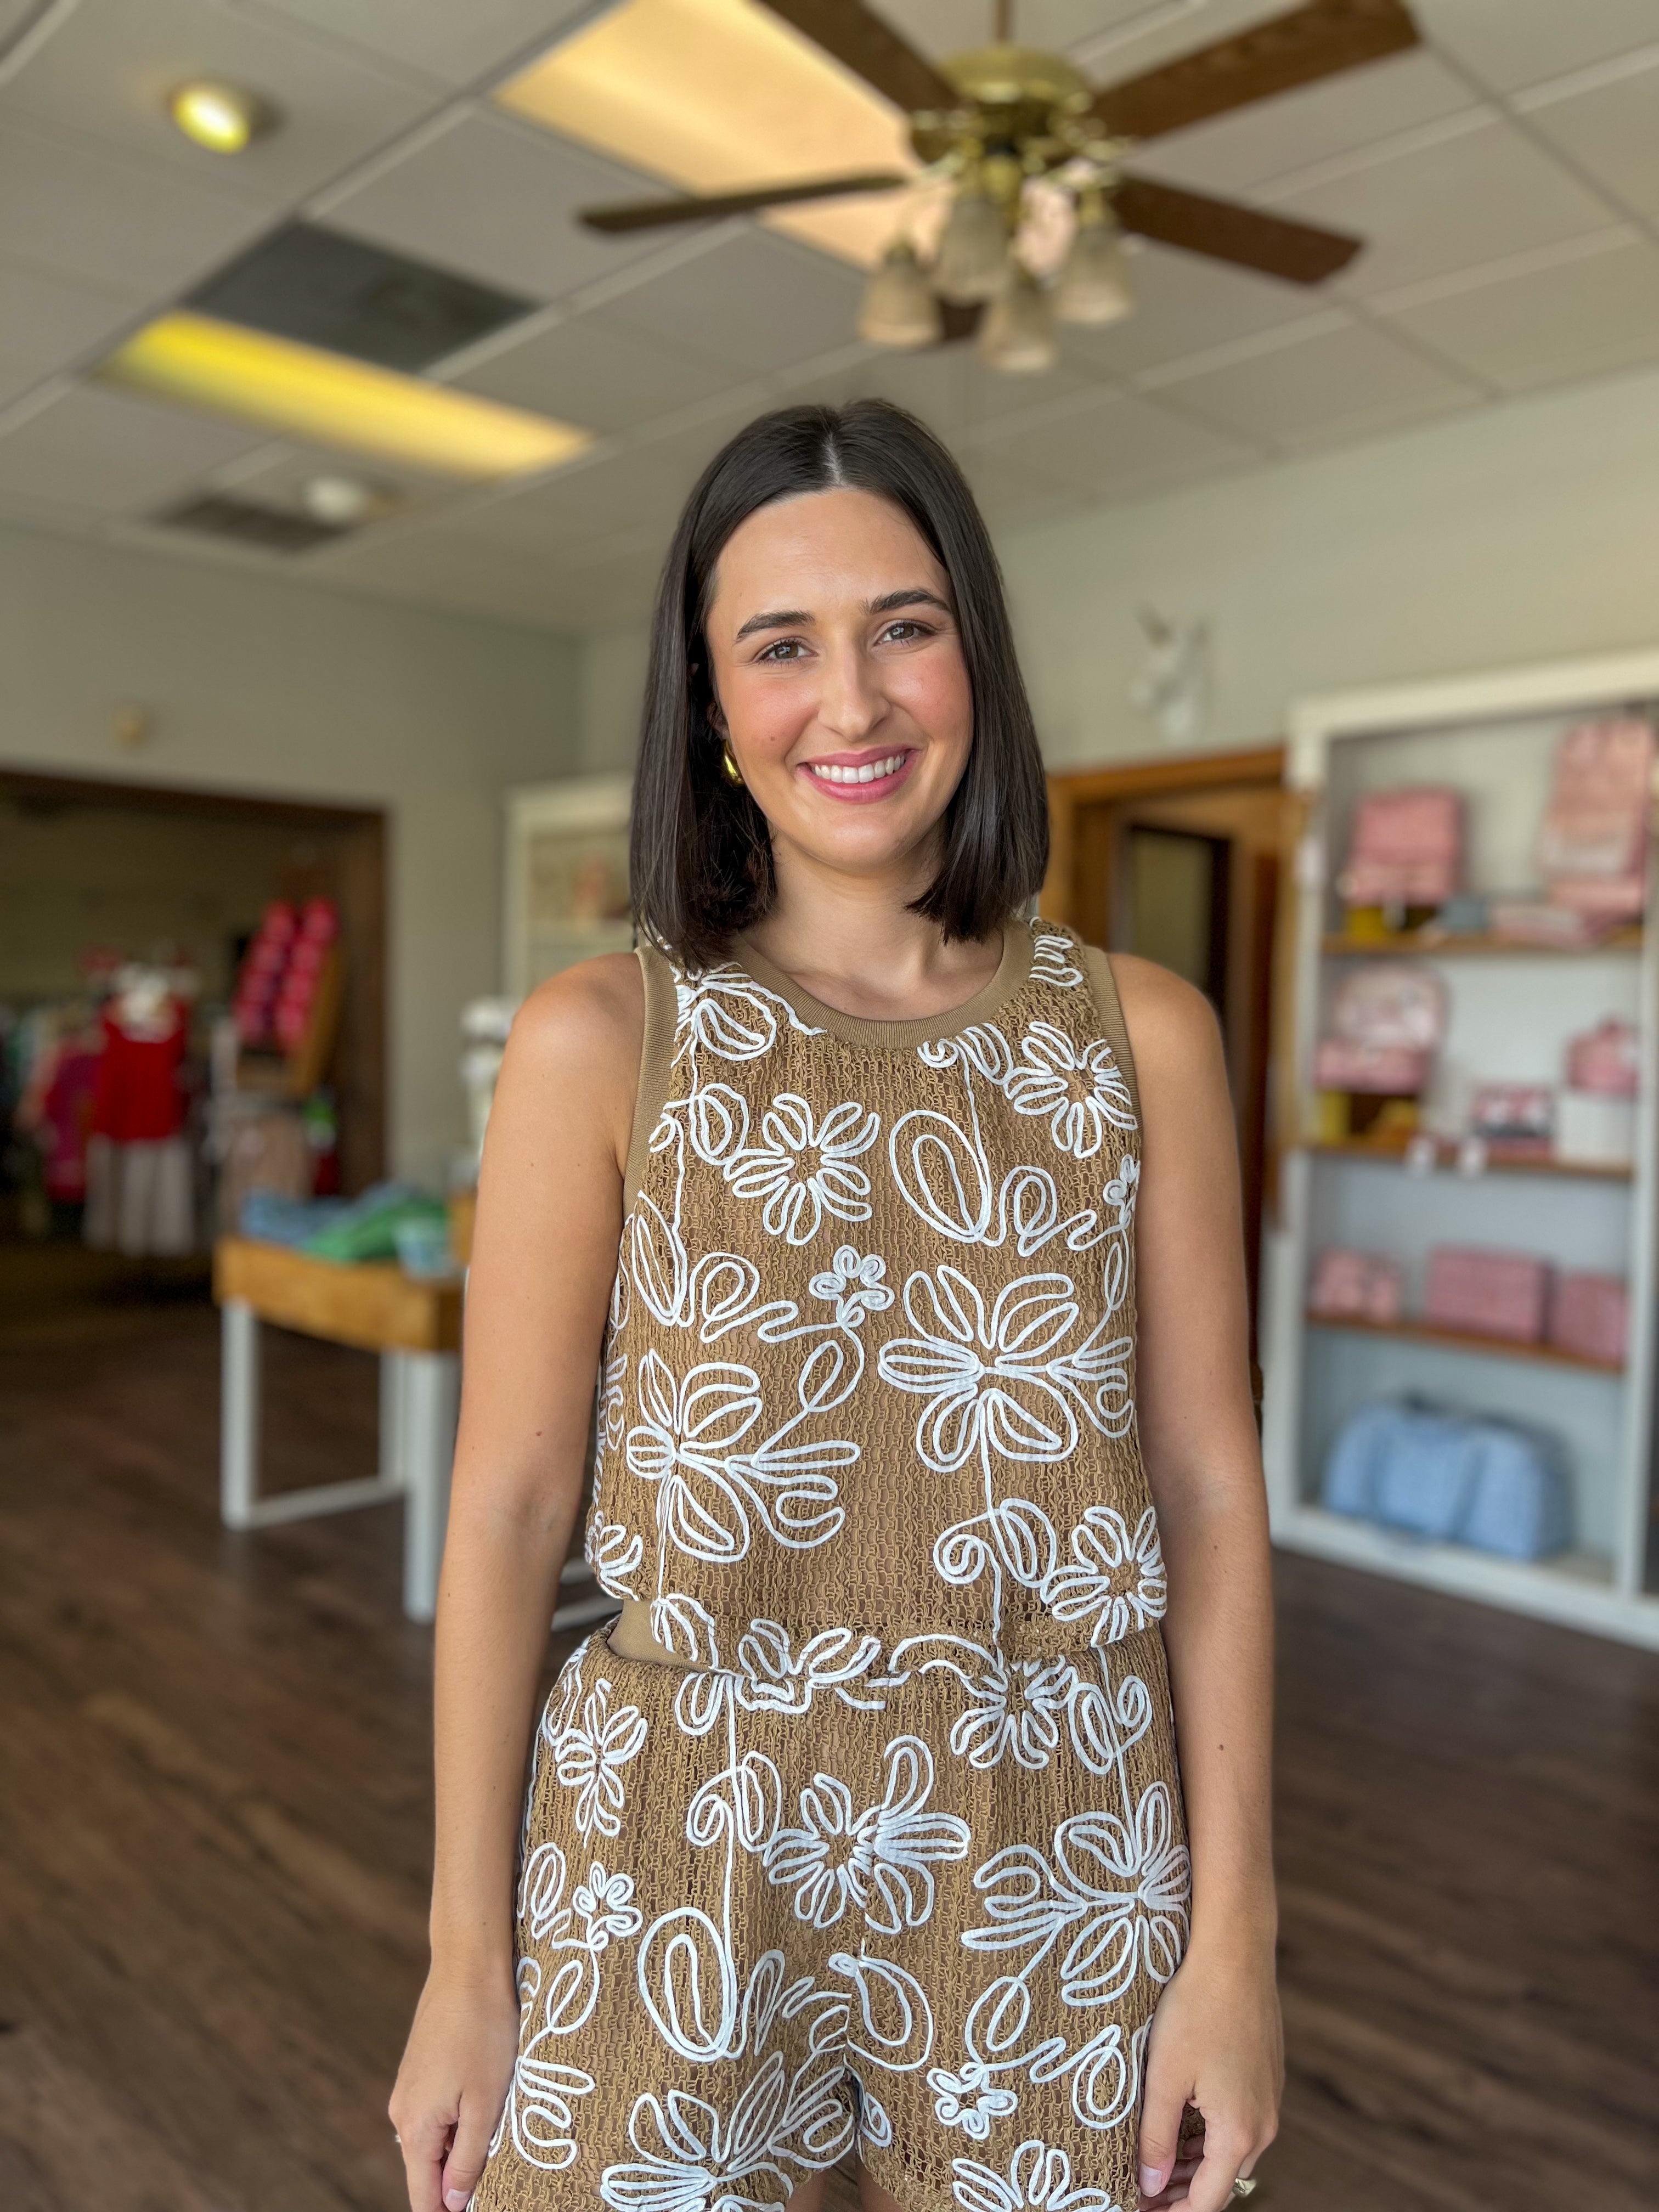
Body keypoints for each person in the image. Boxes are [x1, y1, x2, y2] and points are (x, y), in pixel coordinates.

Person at [390, 401, 1280, 2212]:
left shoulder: (1144, 1037)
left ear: (978, 658)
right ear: (713, 710)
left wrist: (1238, 1944)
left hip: (1061, 1820)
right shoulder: (601, 1042)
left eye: (904, 625)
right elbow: (501, 1510)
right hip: (678, 1818)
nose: (852, 703)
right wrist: (465, 1963)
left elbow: (1205, 1494)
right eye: (780, 646)